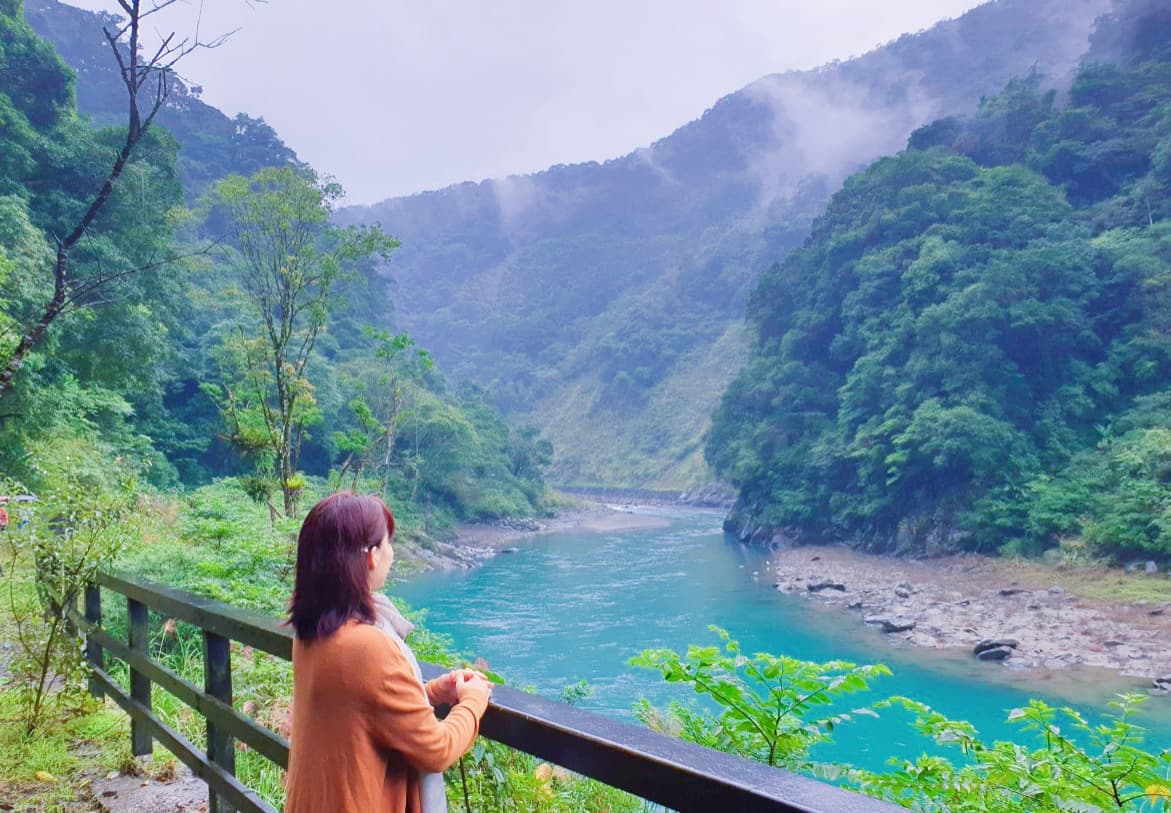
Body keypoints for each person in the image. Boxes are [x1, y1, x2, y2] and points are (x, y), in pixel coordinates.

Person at [284, 493, 492, 813]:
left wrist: (433, 693)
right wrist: (474, 700)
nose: (391, 554)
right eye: (387, 543)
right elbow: (436, 749)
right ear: (370, 556)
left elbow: (361, 706)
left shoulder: (311, 633)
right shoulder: (368, 647)